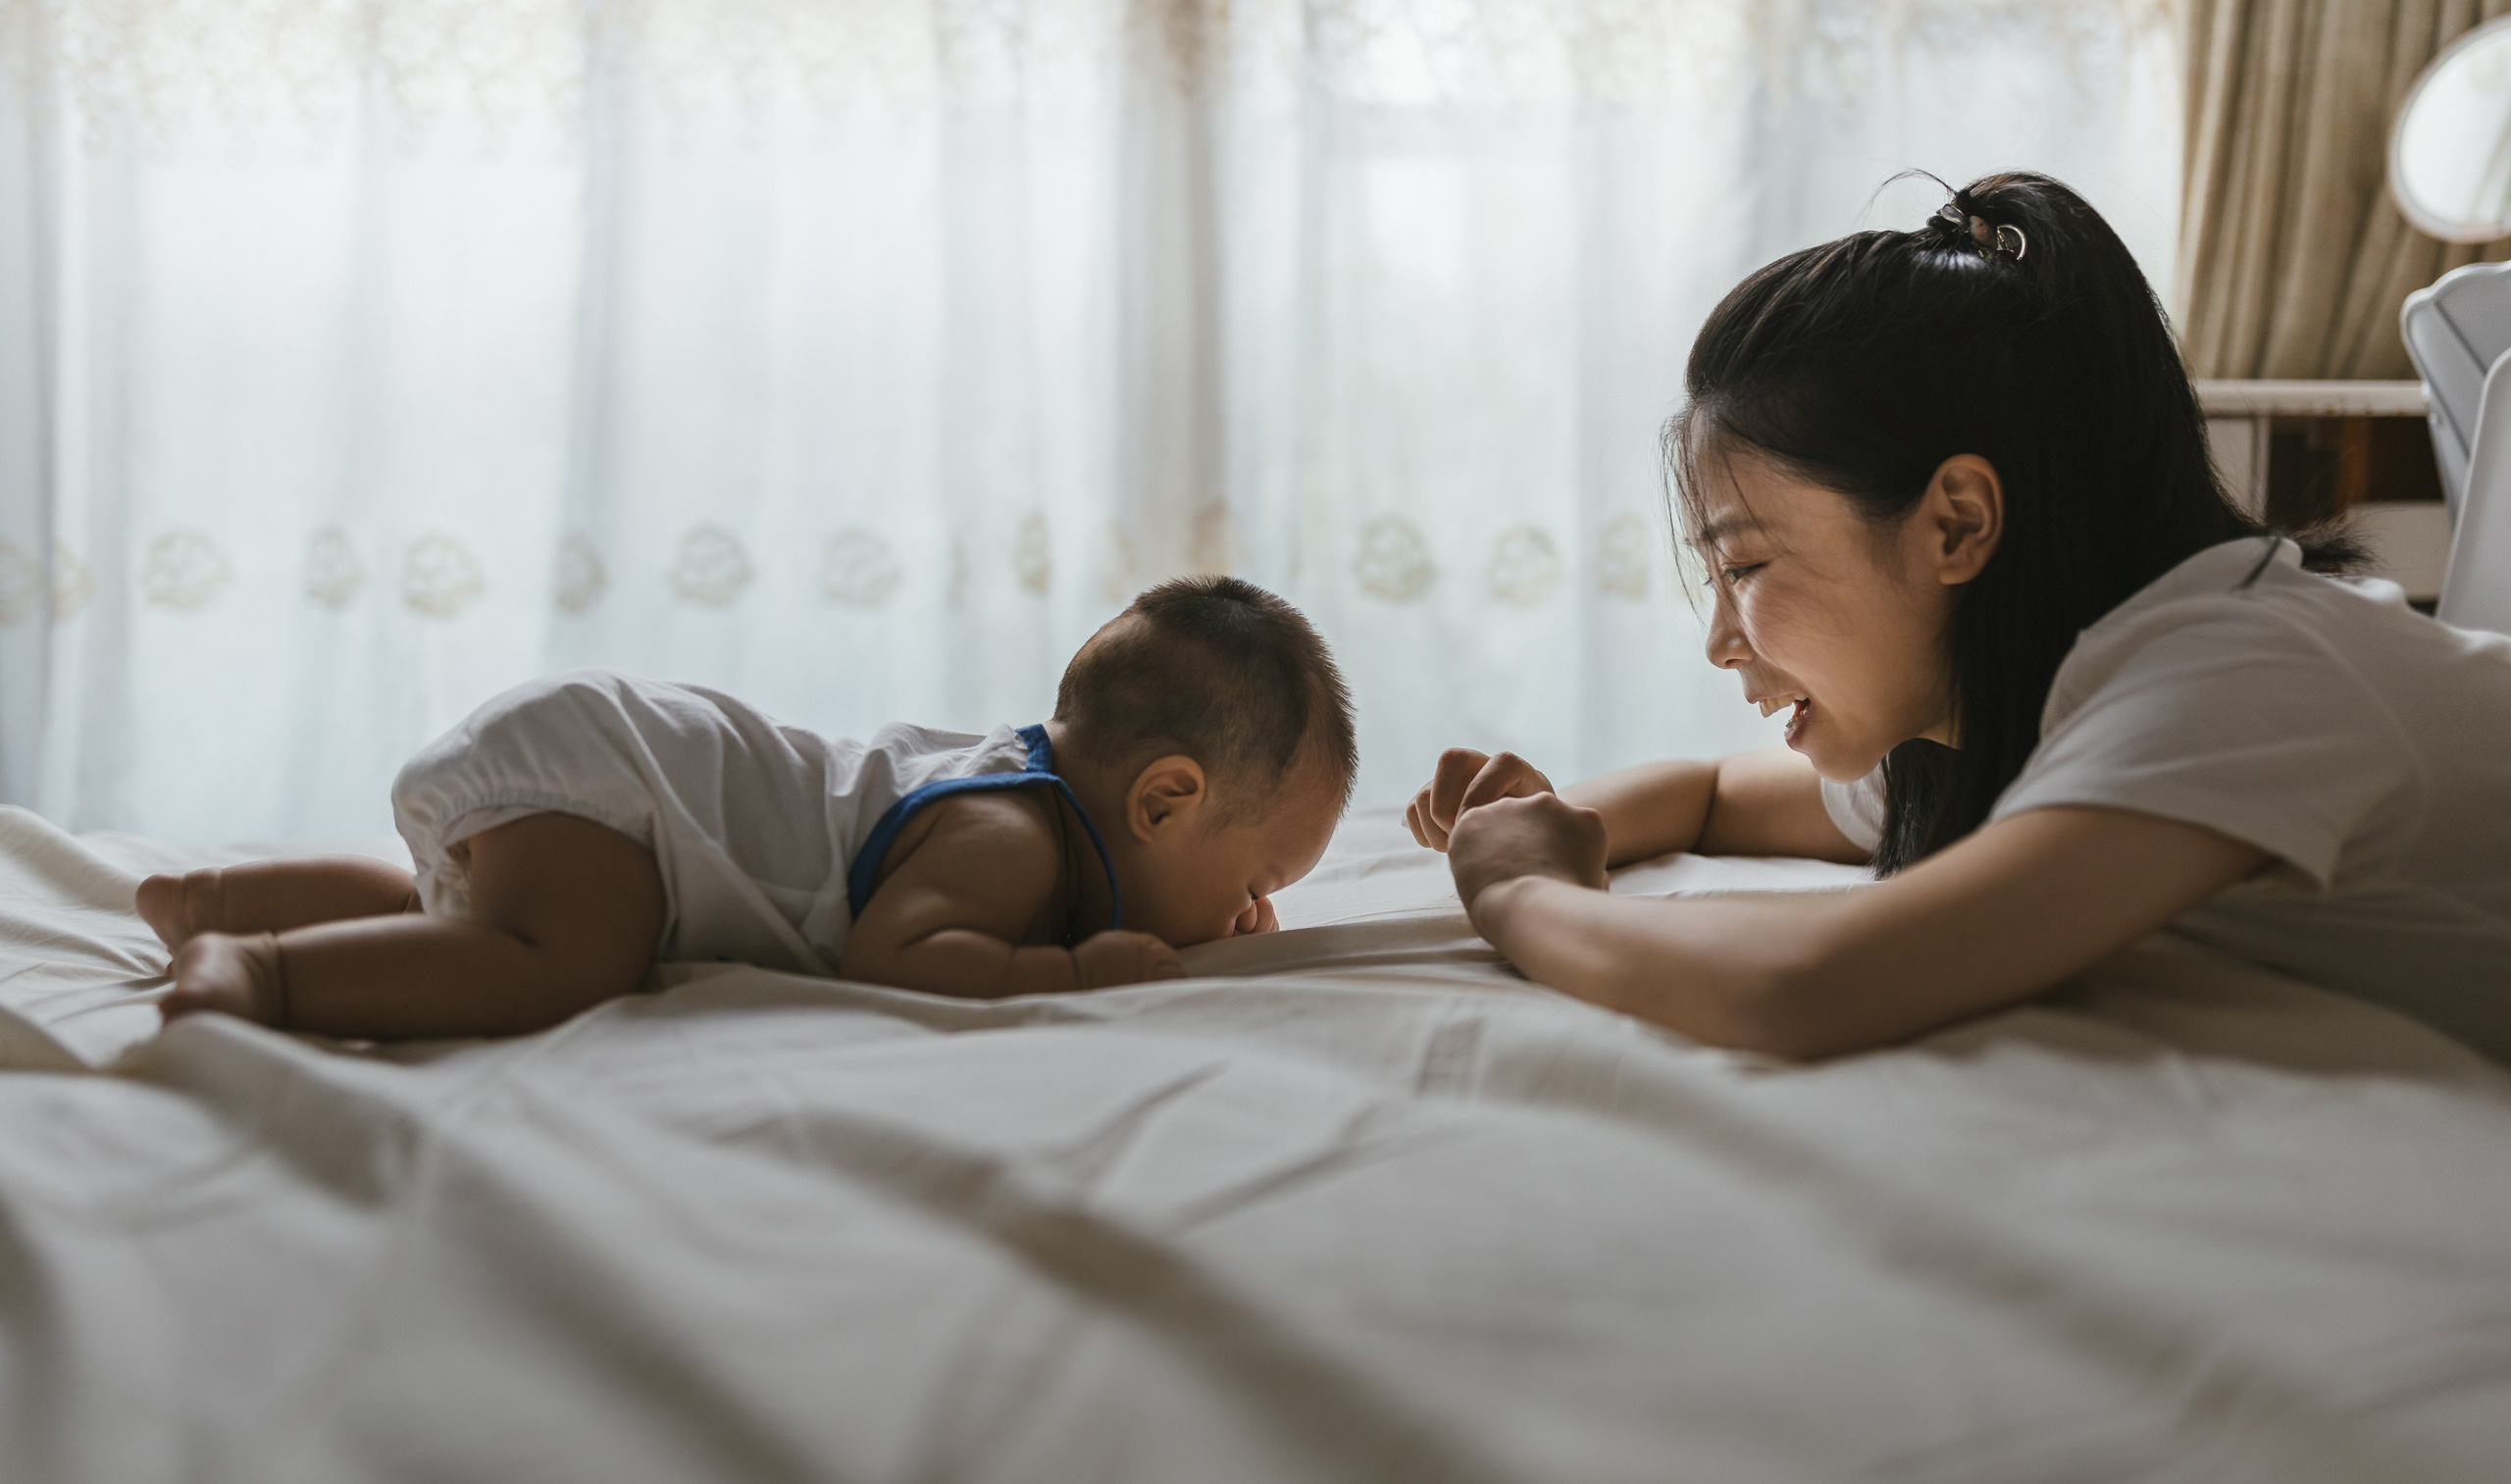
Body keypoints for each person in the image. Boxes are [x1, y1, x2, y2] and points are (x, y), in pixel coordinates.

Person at [1407, 173, 2511, 1064]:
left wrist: (1519, 889)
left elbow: (1802, 990)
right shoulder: (2012, 706)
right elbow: (1708, 794)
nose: (1720, 641)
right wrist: (1552, 820)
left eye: (1743, 564)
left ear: (1957, 523)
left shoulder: (2234, 679)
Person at [146, 576, 1355, 1037]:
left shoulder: (1022, 790)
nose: (1251, 917)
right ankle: (266, 975)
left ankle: (211, 898)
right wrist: (1078, 975)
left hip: (611, 761)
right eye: (1257, 883)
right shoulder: (1011, 837)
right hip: (627, 789)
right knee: (557, 960)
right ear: (1163, 803)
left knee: (452, 917)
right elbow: (903, 956)